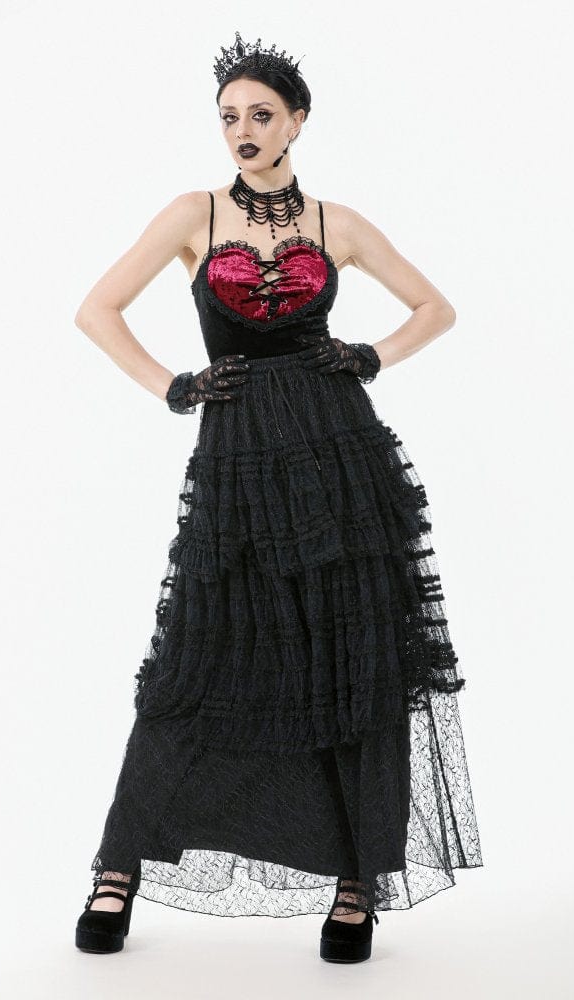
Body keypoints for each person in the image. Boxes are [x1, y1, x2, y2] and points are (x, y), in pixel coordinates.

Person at [72, 31, 483, 963]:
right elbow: (96, 310)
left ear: (298, 121)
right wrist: (175, 386)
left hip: (341, 455)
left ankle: (357, 881)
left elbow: (437, 308)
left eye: (261, 115)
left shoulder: (340, 224)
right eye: (229, 118)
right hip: (239, 458)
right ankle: (118, 868)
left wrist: (371, 354)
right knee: (200, 653)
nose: (243, 132)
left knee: (356, 653)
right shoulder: (194, 213)